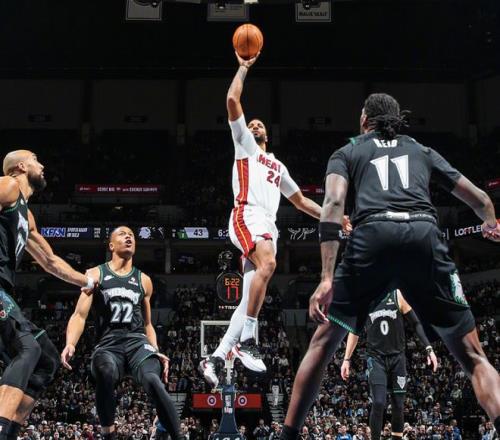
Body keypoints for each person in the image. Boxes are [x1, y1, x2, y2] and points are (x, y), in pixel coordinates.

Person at [279, 93, 500, 440]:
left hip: (372, 239)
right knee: (474, 357)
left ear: (365, 120)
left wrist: (326, 277)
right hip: (423, 237)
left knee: (321, 345)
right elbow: (481, 199)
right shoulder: (421, 150)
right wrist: (490, 223)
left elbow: (333, 203)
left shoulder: (347, 151)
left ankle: (288, 436)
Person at [200, 51, 342, 385]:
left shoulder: (278, 166)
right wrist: (243, 67)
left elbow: (302, 202)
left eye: (259, 124)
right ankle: (248, 341)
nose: (254, 125)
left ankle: (215, 358)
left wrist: (335, 218)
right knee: (269, 265)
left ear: (269, 134)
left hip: (268, 225)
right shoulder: (245, 147)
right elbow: (232, 99)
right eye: (250, 124)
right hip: (246, 214)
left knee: (248, 297)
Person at [0, 150, 94, 440]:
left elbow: (50, 261)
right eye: (35, 159)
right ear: (21, 166)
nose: (42, 165)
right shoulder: (8, 185)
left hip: (5, 291)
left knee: (46, 359)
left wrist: (89, 281)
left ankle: (10, 431)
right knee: (27, 348)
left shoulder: (26, 215)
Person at [60, 226, 182, 440]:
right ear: (111, 245)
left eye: (131, 235)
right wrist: (71, 343)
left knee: (153, 380)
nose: (128, 237)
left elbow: (147, 324)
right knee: (105, 372)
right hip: (108, 345)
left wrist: (155, 350)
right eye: (122, 234)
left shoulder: (144, 280)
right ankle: (108, 433)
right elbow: (79, 315)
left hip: (137, 343)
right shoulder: (95, 274)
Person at [341, 290, 439, 440]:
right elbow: (354, 331)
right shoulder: (364, 299)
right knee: (379, 402)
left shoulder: (396, 295)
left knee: (398, 405)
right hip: (376, 359)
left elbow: (415, 323)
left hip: (397, 359)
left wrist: (429, 348)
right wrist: (346, 359)